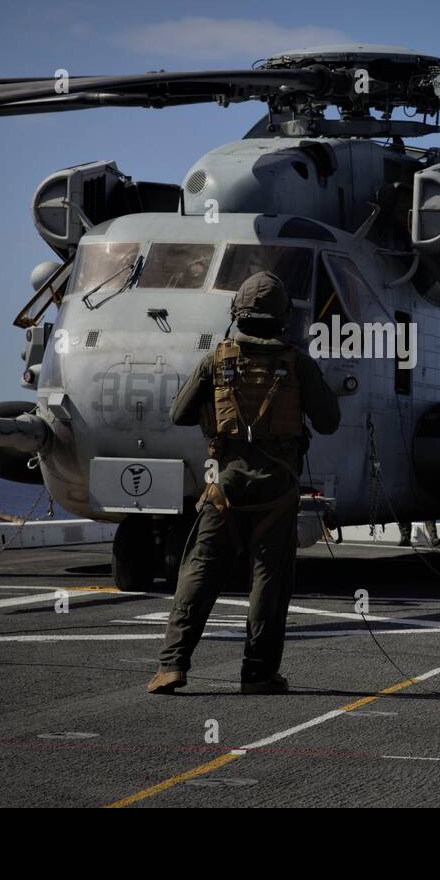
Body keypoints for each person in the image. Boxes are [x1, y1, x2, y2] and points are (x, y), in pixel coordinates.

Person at [148, 271, 340, 695]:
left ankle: (172, 666)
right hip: (277, 489)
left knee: (198, 571)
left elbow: (180, 413)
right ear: (283, 318)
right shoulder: (296, 362)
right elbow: (330, 421)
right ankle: (257, 673)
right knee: (270, 580)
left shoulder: (217, 360)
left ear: (238, 314)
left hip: (224, 488)